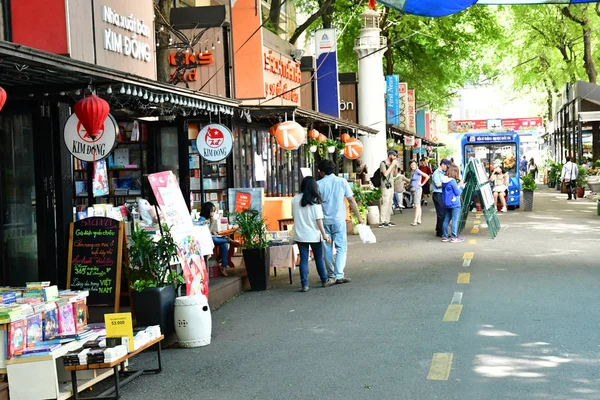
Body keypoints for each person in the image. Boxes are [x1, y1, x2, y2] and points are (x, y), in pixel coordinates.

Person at [317, 159, 365, 284]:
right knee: (341, 247)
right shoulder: (342, 181)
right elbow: (351, 200)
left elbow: (315, 204)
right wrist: (359, 218)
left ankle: (331, 274)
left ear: (321, 172)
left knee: (327, 248)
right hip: (339, 220)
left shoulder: (318, 184)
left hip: (324, 221)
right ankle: (339, 274)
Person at [292, 177, 331, 292]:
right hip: (314, 235)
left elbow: (293, 216)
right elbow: (318, 219)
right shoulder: (315, 200)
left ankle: (305, 284)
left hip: (300, 234)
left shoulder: (294, 199)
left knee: (304, 259)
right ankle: (324, 280)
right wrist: (324, 234)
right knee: (319, 258)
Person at [200, 202, 234, 276]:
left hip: (210, 238)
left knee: (224, 244)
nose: (213, 213)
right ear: (207, 211)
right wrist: (212, 224)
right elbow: (206, 234)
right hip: (206, 241)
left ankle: (224, 267)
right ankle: (228, 239)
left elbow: (209, 232)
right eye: (212, 211)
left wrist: (213, 232)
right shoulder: (202, 220)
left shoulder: (208, 219)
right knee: (219, 240)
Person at [441, 164, 465, 243]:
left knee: (446, 219)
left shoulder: (444, 180)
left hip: (446, 202)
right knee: (455, 220)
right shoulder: (452, 181)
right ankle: (454, 237)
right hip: (455, 203)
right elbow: (457, 192)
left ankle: (444, 236)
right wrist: (462, 187)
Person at [378, 150, 399, 228]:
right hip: (385, 186)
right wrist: (392, 165)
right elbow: (385, 173)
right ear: (390, 155)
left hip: (391, 185)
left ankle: (388, 220)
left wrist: (396, 167)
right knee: (385, 203)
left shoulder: (392, 164)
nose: (395, 158)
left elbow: (394, 175)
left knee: (390, 203)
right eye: (394, 156)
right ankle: (382, 221)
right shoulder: (383, 163)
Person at [432, 159, 451, 237]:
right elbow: (438, 184)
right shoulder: (437, 173)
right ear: (442, 165)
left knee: (442, 213)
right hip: (438, 194)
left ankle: (439, 229)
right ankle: (440, 232)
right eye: (447, 166)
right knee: (441, 214)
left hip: (442, 194)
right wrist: (448, 183)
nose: (447, 168)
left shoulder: (443, 173)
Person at [409, 160, 430, 226]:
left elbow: (427, 176)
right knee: (418, 205)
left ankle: (415, 220)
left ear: (416, 165)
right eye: (411, 165)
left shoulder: (417, 170)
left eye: (414, 165)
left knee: (416, 205)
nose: (413, 166)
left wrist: (422, 184)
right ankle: (419, 219)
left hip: (417, 189)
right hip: (413, 189)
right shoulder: (412, 172)